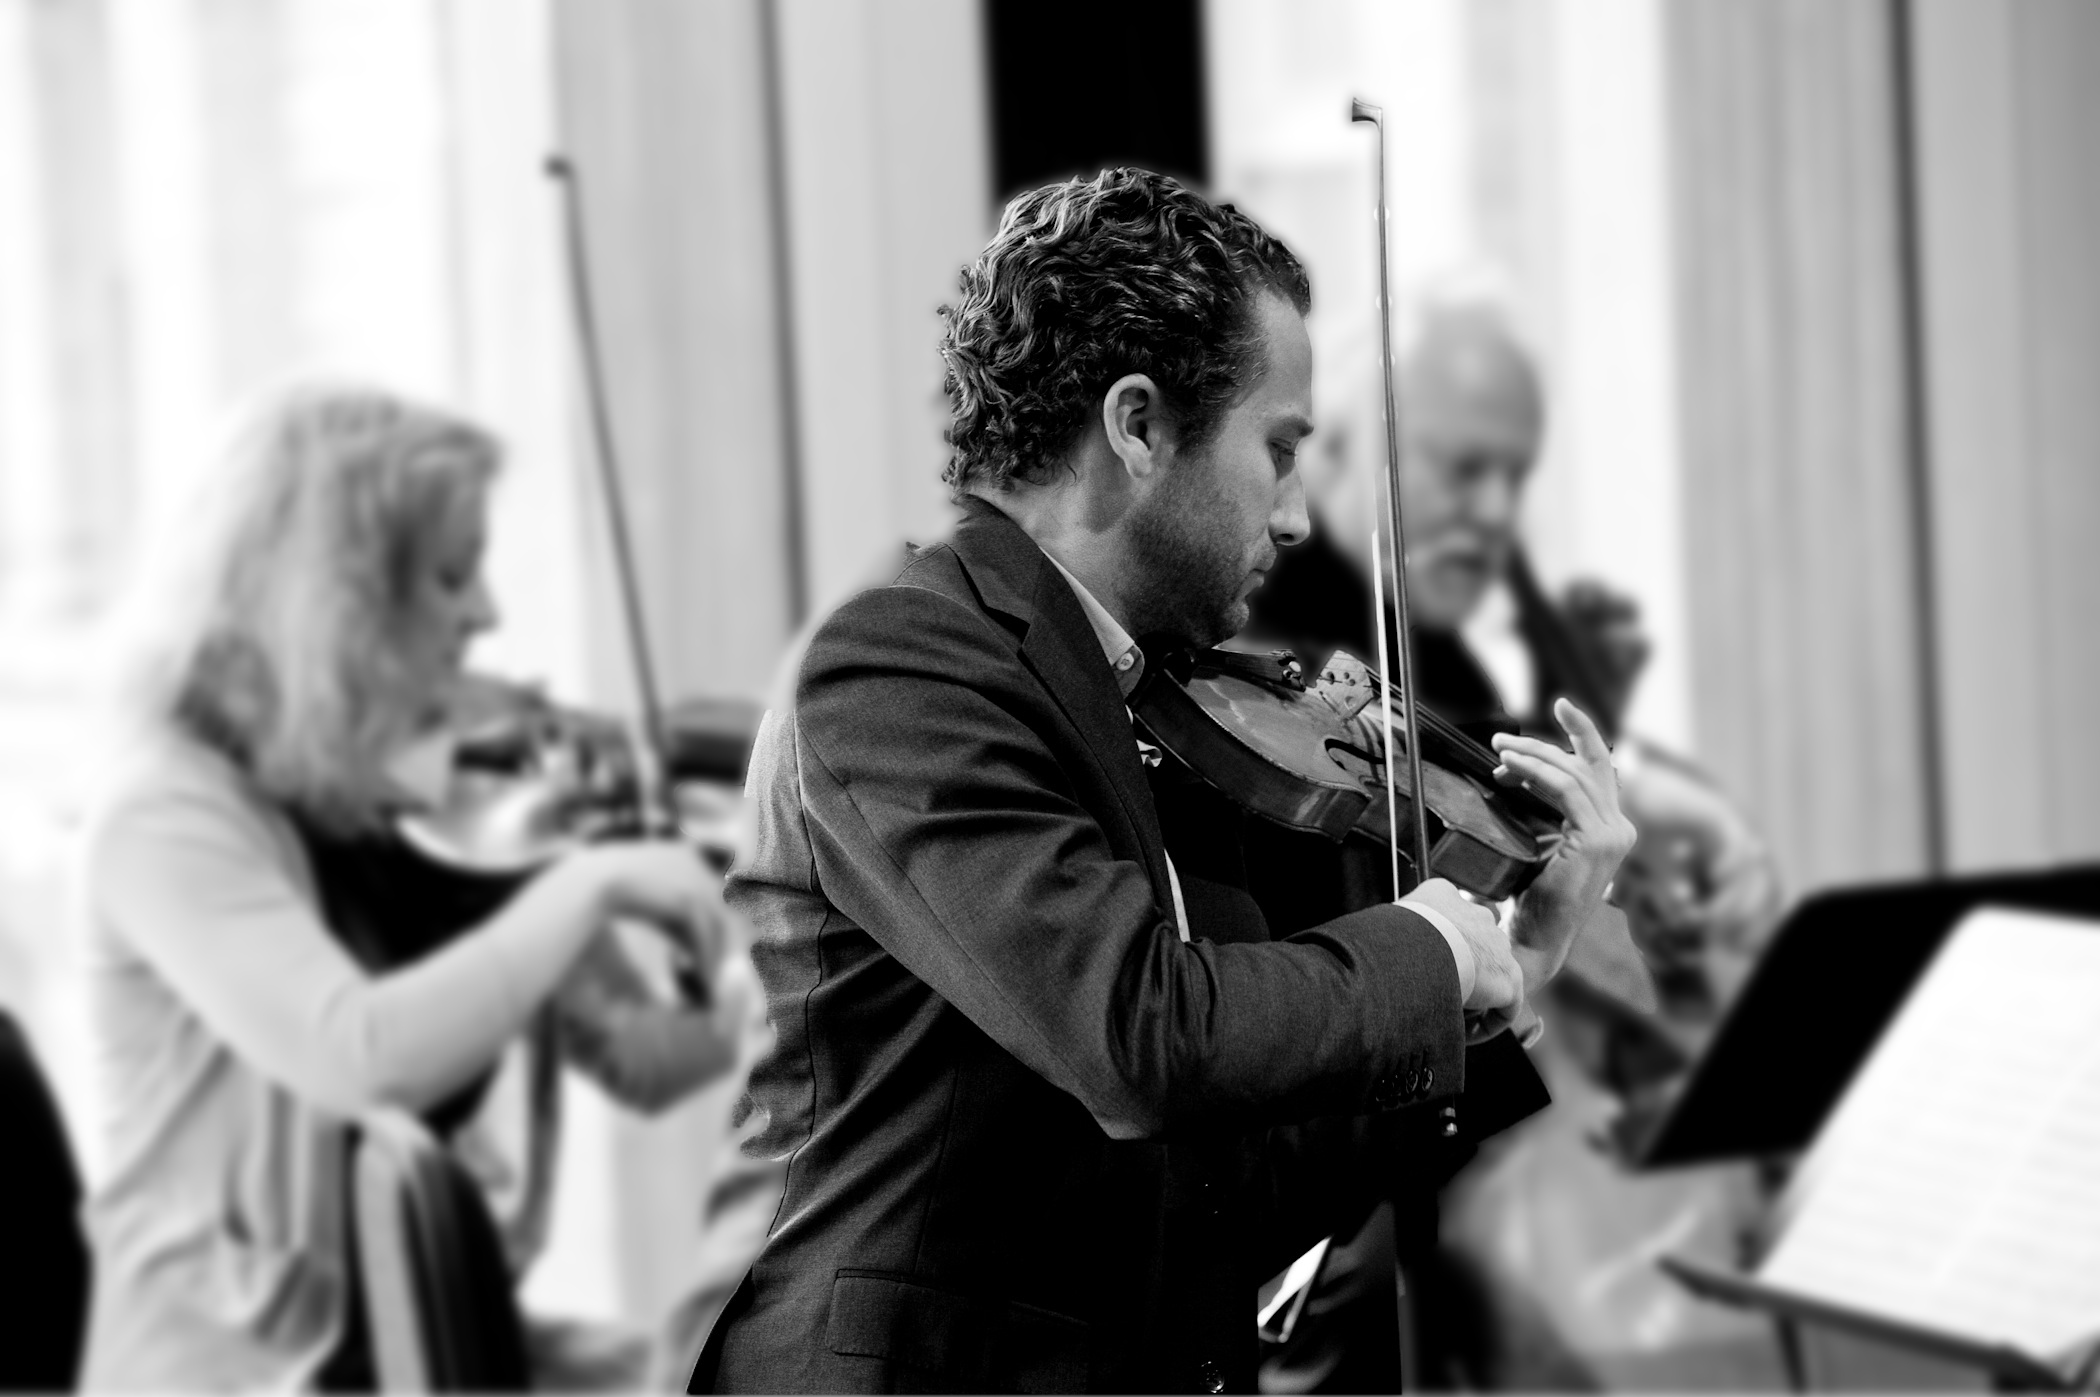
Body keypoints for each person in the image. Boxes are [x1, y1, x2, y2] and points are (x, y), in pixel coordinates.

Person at [697, 168, 1634, 1395]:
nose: (1295, 517)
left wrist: (1513, 962)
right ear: (1138, 426)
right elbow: (1143, 1036)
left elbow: (1219, 1191)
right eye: (1278, 449)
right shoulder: (902, 666)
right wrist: (1429, 944)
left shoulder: (1142, 701)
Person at [75, 384, 742, 1391]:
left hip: (411, 1349)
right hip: (240, 1372)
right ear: (336, 607)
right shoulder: (164, 819)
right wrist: (589, 886)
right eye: (449, 575)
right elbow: (363, 1054)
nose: (488, 613)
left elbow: (641, 1056)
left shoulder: (441, 800)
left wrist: (763, 987)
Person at [1246, 285, 1786, 1389]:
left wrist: (1643, 833)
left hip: (1465, 1119)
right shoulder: (1250, 633)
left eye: (1516, 475)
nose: (1496, 511)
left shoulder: (1443, 643)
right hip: (1320, 1203)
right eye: (1462, 468)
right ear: (1335, 452)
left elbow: (1508, 807)